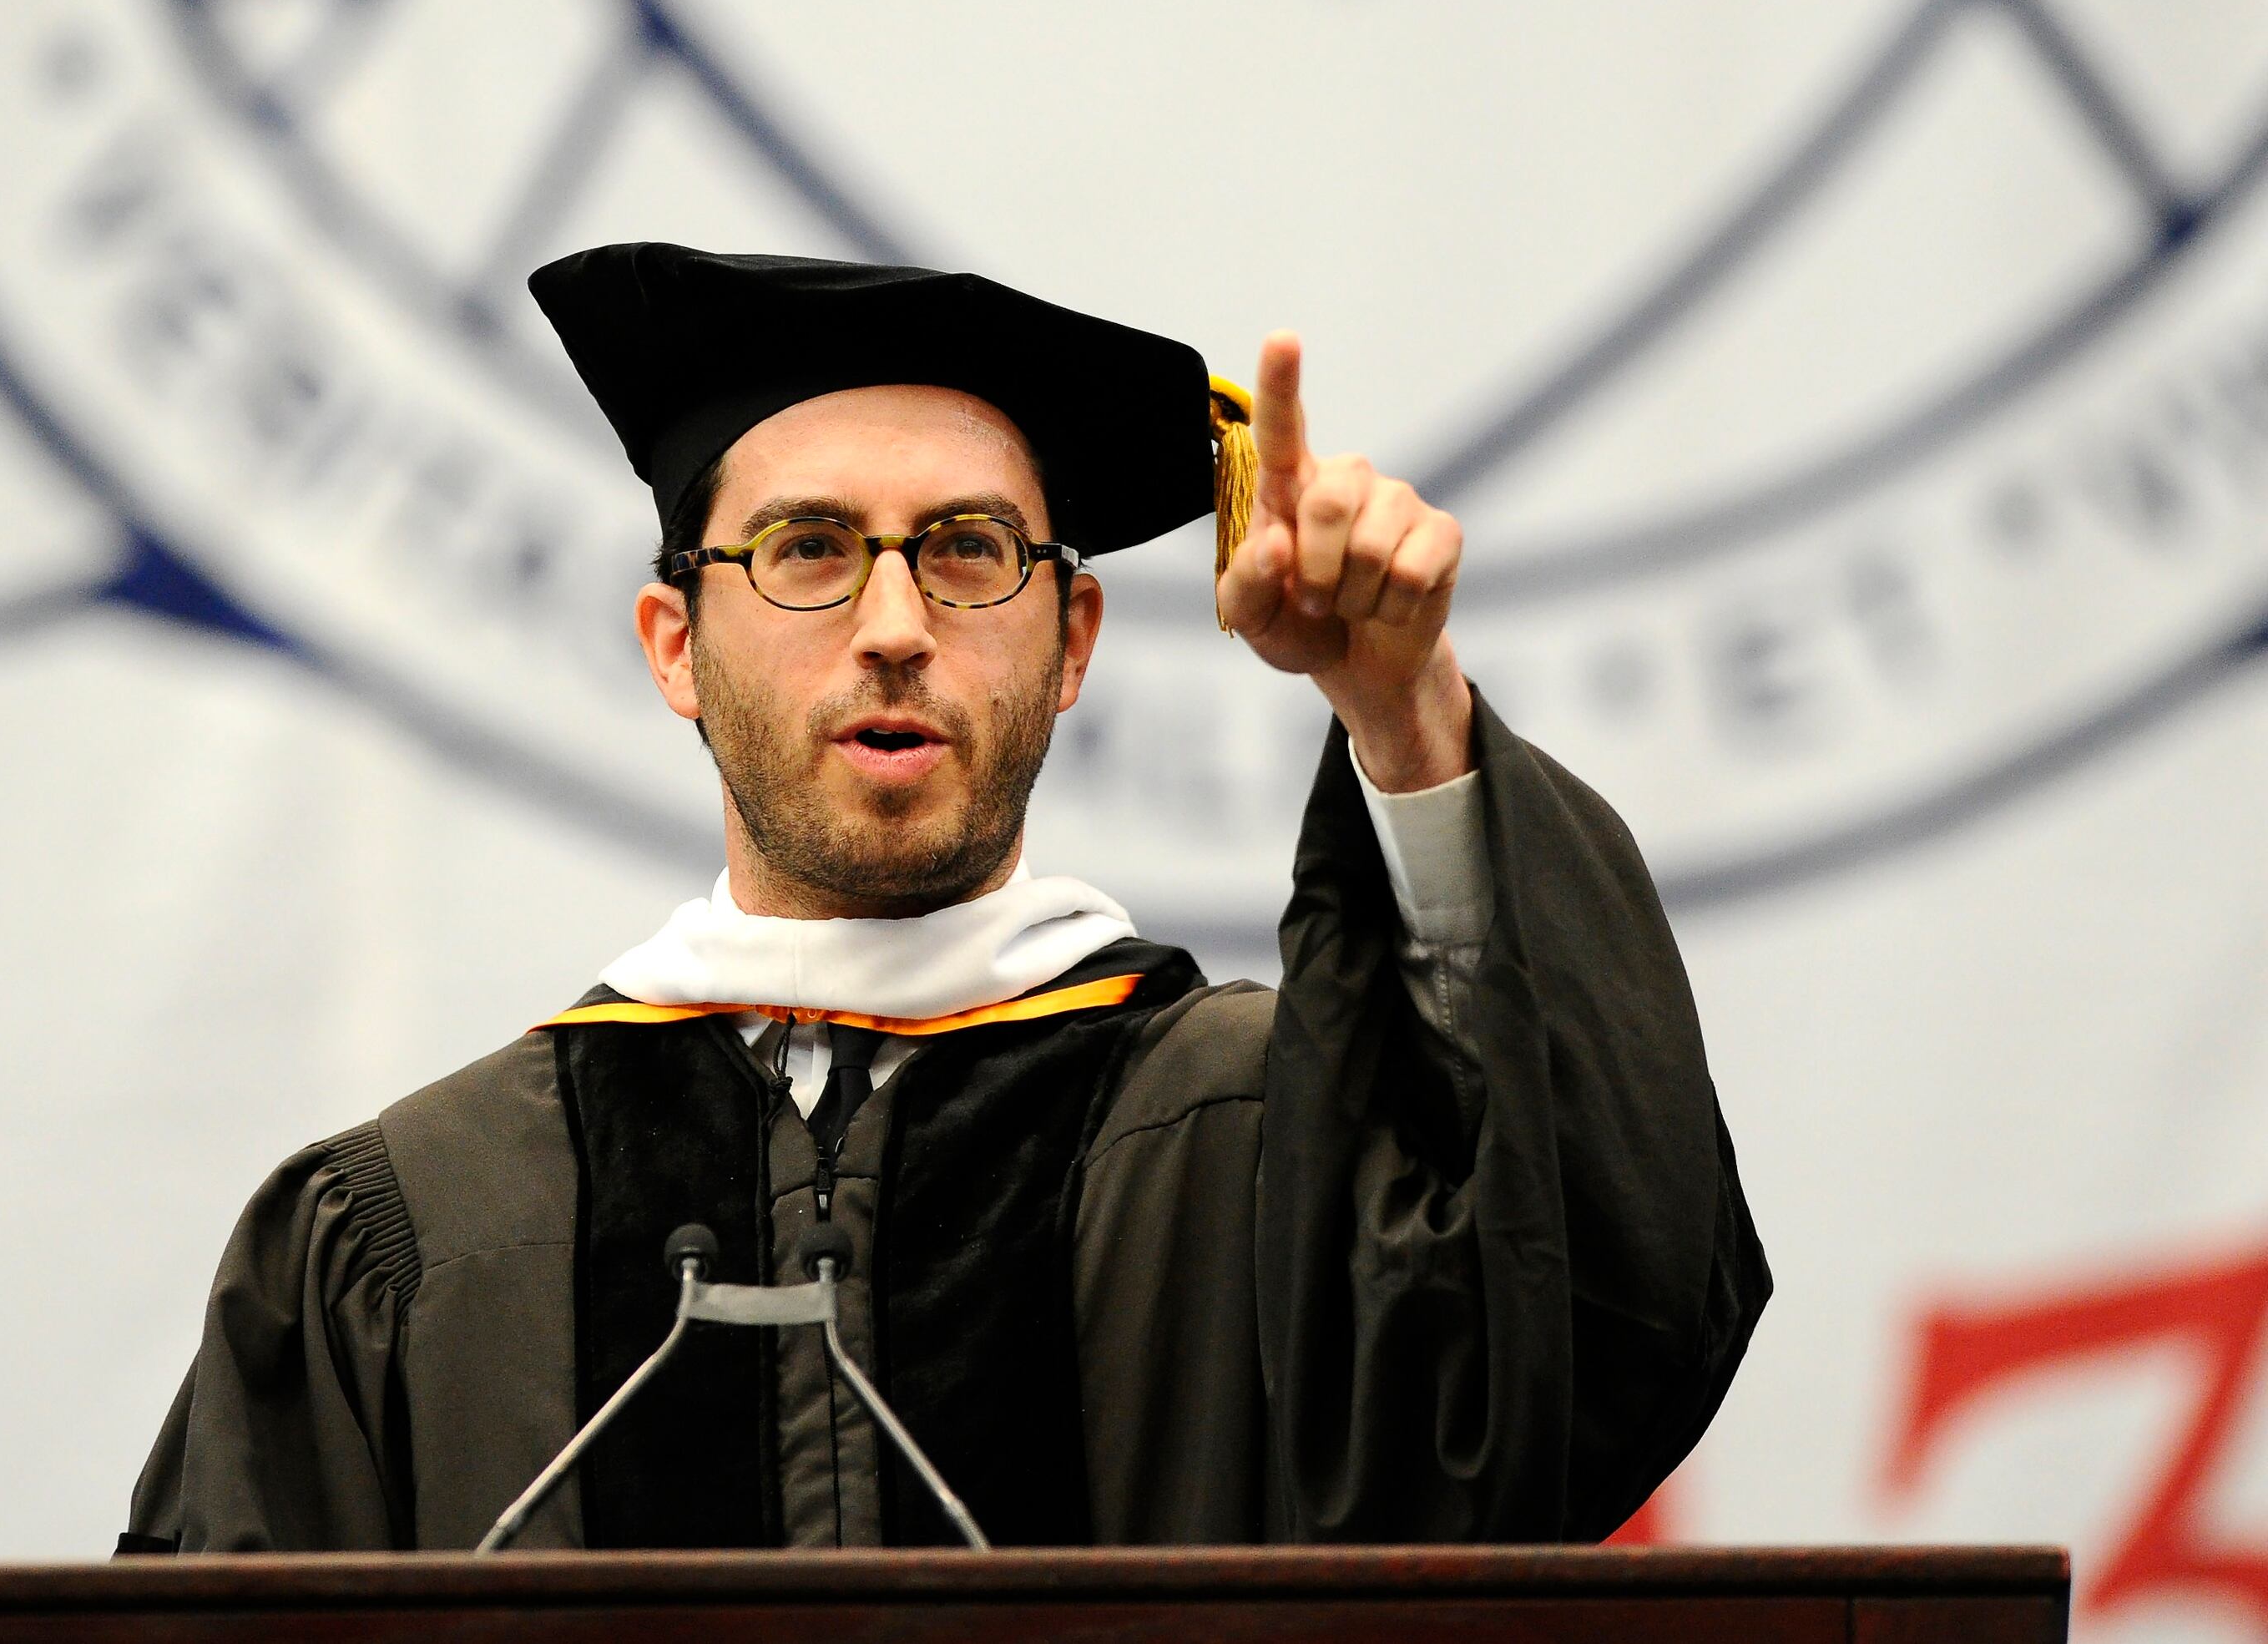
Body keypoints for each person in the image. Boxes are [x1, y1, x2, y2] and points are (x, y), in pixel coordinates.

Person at [120, 243, 1768, 1551]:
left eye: (971, 550)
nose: (895, 620)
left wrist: (1406, 713)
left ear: (1072, 645)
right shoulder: (414, 1232)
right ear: (675, 646)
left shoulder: (1266, 1145)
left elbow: (1589, 1346)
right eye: (808, 550)